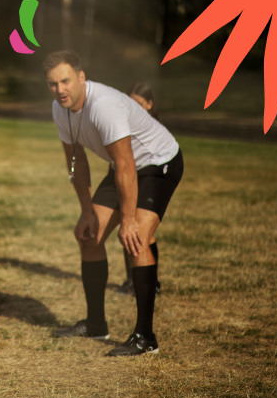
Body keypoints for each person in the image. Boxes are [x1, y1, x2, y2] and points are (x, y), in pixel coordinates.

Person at [44, 50, 183, 356]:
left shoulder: (103, 106)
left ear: (81, 78)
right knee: (89, 237)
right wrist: (86, 212)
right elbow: (76, 162)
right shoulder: (60, 109)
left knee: (136, 240)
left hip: (158, 164)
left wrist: (130, 219)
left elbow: (127, 165)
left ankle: (145, 337)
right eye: (53, 84)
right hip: (123, 168)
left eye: (65, 81)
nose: (60, 90)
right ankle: (96, 325)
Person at [117, 82, 162, 296]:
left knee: (142, 232)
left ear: (150, 104)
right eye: (131, 103)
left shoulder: (154, 128)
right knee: (129, 230)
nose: (134, 108)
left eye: (140, 104)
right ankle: (132, 280)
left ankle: (151, 283)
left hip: (148, 180)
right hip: (131, 180)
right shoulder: (125, 124)